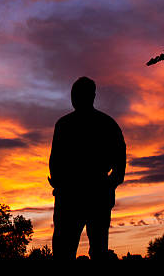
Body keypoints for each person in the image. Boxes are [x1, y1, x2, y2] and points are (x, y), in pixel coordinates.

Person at [49, 76, 126, 260]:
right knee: (65, 250)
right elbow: (54, 161)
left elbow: (119, 162)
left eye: (77, 94)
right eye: (73, 94)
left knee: (92, 250)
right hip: (74, 195)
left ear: (91, 96)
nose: (74, 98)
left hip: (89, 195)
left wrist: (109, 185)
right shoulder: (66, 125)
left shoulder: (103, 125)